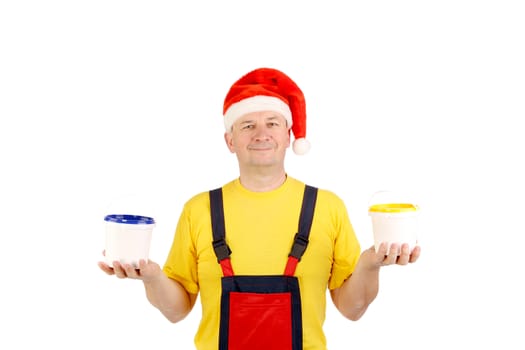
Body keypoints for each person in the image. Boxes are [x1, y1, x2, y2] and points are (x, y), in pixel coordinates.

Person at [98, 67, 421, 350]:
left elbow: (352, 309)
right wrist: (151, 278)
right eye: (248, 125)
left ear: (288, 134)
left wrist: (369, 265)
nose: (262, 134)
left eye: (272, 123)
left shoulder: (327, 206)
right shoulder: (199, 210)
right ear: (230, 141)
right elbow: (176, 311)